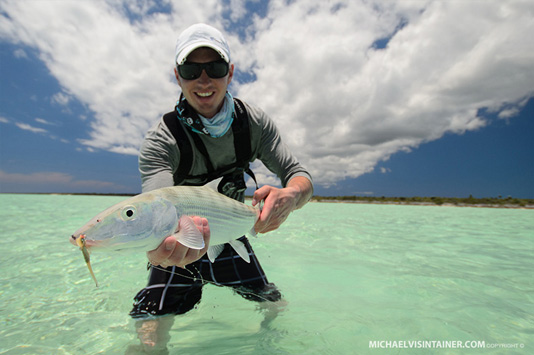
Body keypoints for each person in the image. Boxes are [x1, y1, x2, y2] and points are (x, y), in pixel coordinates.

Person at [129, 23, 313, 351]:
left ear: (230, 72)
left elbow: (298, 174)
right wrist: (158, 249)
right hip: (177, 244)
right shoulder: (161, 139)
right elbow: (153, 207)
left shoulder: (253, 124)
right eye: (191, 69)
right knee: (147, 323)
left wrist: (291, 195)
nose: (203, 80)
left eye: (214, 68)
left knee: (273, 304)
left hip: (231, 230)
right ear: (177, 75)